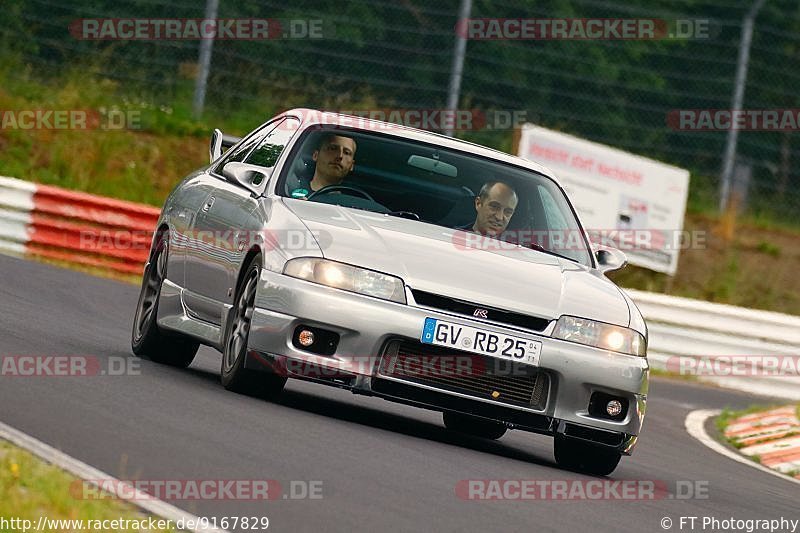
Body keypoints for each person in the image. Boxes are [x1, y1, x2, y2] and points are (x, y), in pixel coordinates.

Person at [289, 133, 357, 199]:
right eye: (333, 148)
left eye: (346, 153)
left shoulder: (356, 205)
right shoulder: (289, 191)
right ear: (315, 155)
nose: (340, 156)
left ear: (352, 165)